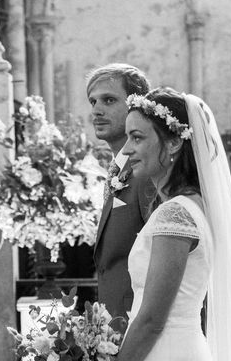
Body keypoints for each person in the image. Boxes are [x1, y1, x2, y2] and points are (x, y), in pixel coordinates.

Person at [116, 87, 231, 361]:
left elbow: (151, 321)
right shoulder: (192, 205)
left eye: (136, 138)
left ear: (174, 143)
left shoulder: (174, 213)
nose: (126, 149)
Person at [86, 63, 154, 320]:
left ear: (136, 107)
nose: (96, 110)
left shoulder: (146, 174)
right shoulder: (116, 171)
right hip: (113, 322)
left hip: (139, 322)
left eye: (109, 100)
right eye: (93, 101)